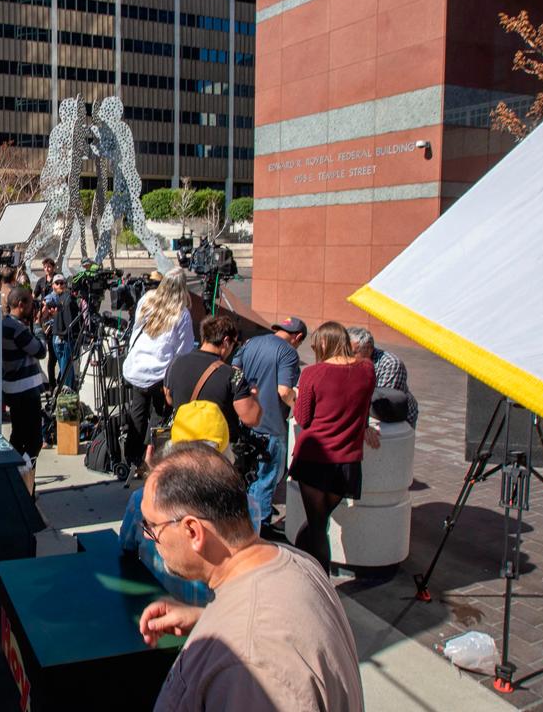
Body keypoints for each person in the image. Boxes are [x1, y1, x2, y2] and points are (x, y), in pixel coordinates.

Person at [137, 444, 364, 711]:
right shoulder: (297, 562)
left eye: (152, 526)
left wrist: (230, 631)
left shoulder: (251, 664)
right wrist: (208, 621)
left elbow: (259, 646)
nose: (146, 536)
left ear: (193, 531)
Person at [290, 321, 376, 571]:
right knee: (318, 520)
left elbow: (303, 418)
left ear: (324, 344)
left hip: (315, 459)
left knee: (317, 526)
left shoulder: (313, 374)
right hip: (348, 460)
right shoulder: (367, 370)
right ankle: (301, 567)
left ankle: (320, 581)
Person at [232, 317, 307, 535]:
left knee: (250, 474)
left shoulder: (251, 343)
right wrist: (298, 407)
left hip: (246, 419)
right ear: (298, 337)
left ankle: (247, 519)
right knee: (268, 476)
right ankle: (260, 527)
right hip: (271, 423)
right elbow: (284, 391)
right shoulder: (288, 353)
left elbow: (234, 371)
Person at [122, 269, 196, 474]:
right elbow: (184, 351)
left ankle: (131, 458)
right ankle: (151, 459)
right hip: (159, 373)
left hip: (137, 368)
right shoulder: (182, 313)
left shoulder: (147, 299)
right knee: (159, 416)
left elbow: (136, 327)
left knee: (137, 412)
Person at [164, 314, 261, 463]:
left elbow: (169, 398)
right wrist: (254, 395)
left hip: (182, 445)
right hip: (217, 452)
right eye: (235, 344)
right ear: (226, 341)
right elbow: (251, 418)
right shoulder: (234, 375)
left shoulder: (175, 363)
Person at [1, 287, 51, 465]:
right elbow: (40, 350)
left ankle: (18, 479)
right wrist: (38, 326)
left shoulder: (5, 324)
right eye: (30, 303)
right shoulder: (17, 329)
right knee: (33, 441)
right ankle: (24, 479)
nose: (33, 307)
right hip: (25, 391)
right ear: (21, 304)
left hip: (11, 388)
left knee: (18, 435)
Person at [347, 325, 418, 427]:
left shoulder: (390, 364)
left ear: (369, 349)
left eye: (352, 352)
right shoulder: (348, 358)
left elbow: (380, 401)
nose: (346, 356)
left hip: (395, 415)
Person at [47, 274, 82, 390]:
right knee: (67, 375)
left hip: (61, 338)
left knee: (65, 372)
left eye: (62, 283)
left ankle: (64, 397)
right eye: (57, 283)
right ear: (53, 286)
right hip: (62, 339)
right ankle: (65, 400)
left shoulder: (65, 298)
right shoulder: (62, 298)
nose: (60, 285)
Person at [32, 258, 59, 385]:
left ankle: (58, 382)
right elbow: (34, 296)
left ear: (53, 267)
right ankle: (52, 383)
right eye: (45, 267)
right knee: (50, 352)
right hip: (45, 319)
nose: (47, 269)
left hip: (56, 316)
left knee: (56, 354)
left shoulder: (58, 280)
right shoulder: (41, 281)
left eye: (49, 266)